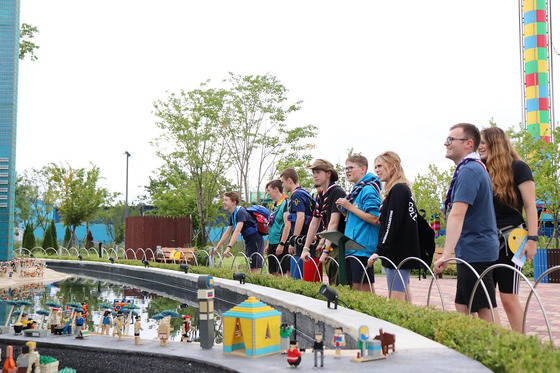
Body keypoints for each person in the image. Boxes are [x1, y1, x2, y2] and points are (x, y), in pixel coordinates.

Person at [434, 123, 499, 323]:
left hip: (476, 250)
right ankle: (473, 346)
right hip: (471, 249)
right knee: (462, 305)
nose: (446, 143)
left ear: (468, 144)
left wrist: (446, 254)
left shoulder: (470, 170)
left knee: (483, 309)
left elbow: (457, 214)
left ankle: (495, 349)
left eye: (452, 139)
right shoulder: (469, 169)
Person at [479, 126, 538, 333]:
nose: (479, 146)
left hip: (512, 240)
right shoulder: (480, 169)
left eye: (483, 141)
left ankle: (522, 344)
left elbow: (531, 206)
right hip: (484, 241)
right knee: (486, 299)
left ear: (496, 143)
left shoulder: (519, 168)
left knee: (508, 298)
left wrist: (533, 239)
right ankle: (498, 344)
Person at [367, 151, 421, 302]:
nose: (376, 170)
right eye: (375, 167)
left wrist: (380, 250)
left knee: (396, 299)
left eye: (379, 166)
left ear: (392, 166)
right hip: (402, 251)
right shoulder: (402, 189)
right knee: (404, 293)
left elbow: (392, 223)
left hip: (397, 254)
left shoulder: (398, 189)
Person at [335, 155, 381, 292]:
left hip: (362, 249)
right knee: (355, 288)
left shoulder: (368, 189)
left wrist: (349, 207)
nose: (347, 171)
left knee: (362, 288)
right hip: (352, 247)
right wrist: (345, 212)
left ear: (363, 169)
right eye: (346, 168)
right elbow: (358, 217)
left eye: (351, 168)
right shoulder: (356, 190)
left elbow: (375, 218)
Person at [300, 159, 347, 285]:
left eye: (318, 172)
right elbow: (315, 222)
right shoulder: (321, 194)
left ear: (328, 173)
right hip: (330, 243)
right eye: (313, 172)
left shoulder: (337, 191)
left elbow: (333, 223)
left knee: (339, 284)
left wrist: (326, 250)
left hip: (340, 244)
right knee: (331, 281)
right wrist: (306, 247)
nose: (315, 175)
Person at [211, 192, 265, 274]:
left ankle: (256, 285)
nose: (223, 202)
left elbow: (237, 231)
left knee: (254, 268)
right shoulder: (233, 215)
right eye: (223, 200)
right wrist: (217, 247)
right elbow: (227, 233)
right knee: (249, 266)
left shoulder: (241, 212)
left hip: (255, 240)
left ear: (234, 202)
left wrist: (229, 247)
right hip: (249, 241)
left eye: (226, 200)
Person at [280, 168, 316, 279]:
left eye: (283, 182)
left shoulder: (297, 195)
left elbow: (300, 218)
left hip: (302, 239)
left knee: (299, 274)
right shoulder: (305, 193)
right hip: (309, 237)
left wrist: (293, 240)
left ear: (289, 180)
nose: (282, 185)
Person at [264, 180, 290, 276]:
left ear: (276, 189)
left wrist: (282, 244)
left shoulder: (286, 203)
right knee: (272, 273)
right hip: (272, 243)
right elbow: (272, 225)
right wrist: (268, 244)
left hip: (280, 243)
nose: (268, 193)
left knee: (280, 273)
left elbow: (287, 225)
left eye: (269, 190)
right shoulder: (275, 205)